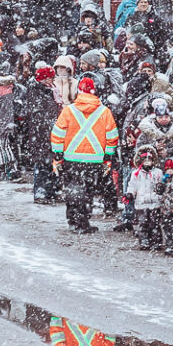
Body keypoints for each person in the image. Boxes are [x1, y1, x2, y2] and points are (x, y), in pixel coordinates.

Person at [53, 72, 118, 232]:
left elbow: (57, 134)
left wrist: (58, 155)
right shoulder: (104, 112)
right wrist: (108, 157)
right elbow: (112, 137)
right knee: (88, 191)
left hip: (72, 158)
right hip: (94, 160)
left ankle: (73, 220)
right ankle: (84, 222)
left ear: (79, 91)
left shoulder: (69, 111)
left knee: (73, 190)